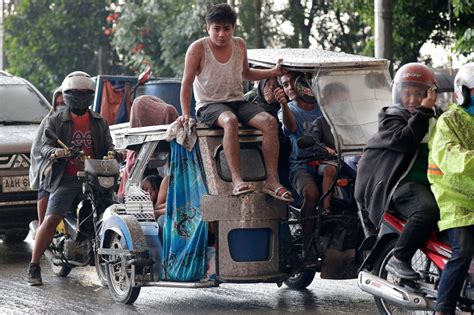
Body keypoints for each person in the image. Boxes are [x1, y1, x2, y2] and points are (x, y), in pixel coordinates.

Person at [179, 3, 292, 201]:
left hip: (238, 101)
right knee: (229, 121)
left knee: (269, 121)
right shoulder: (197, 48)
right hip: (209, 105)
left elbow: (246, 73)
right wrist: (185, 114)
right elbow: (186, 84)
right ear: (208, 28)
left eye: (226, 28)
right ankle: (237, 180)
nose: (221, 34)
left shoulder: (239, 44)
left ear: (233, 28)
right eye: (216, 28)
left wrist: (273, 72)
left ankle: (272, 181)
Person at [27, 71, 114, 286]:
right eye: (76, 93)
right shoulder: (56, 120)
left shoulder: (99, 121)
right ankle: (34, 265)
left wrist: (115, 153)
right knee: (50, 220)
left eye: (84, 93)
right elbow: (45, 145)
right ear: (67, 95)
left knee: (110, 212)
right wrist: (56, 153)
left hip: (95, 177)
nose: (80, 96)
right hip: (66, 179)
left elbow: (109, 144)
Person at [355, 63, 440, 280]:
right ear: (398, 93)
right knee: (425, 212)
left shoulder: (437, 119)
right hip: (398, 185)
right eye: (407, 93)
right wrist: (424, 111)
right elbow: (405, 141)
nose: (412, 99)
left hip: (432, 183)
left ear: (430, 94)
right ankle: (399, 258)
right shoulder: (392, 116)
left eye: (419, 94)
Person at [429, 62, 474, 315]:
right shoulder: (449, 120)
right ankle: (443, 308)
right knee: (463, 250)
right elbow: (451, 156)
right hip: (453, 200)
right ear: (464, 92)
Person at [274, 71, 323, 260]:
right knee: (311, 194)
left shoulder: (323, 106)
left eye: (294, 83)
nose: (290, 88)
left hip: (328, 162)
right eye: (285, 85)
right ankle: (307, 243)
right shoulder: (287, 110)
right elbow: (291, 127)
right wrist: (284, 105)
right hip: (301, 166)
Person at [29, 87, 66, 226]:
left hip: (78, 163)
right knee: (48, 177)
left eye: (64, 103)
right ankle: (42, 225)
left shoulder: (90, 120)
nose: (61, 107)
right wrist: (54, 153)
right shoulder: (50, 121)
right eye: (58, 104)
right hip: (53, 161)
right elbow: (41, 147)